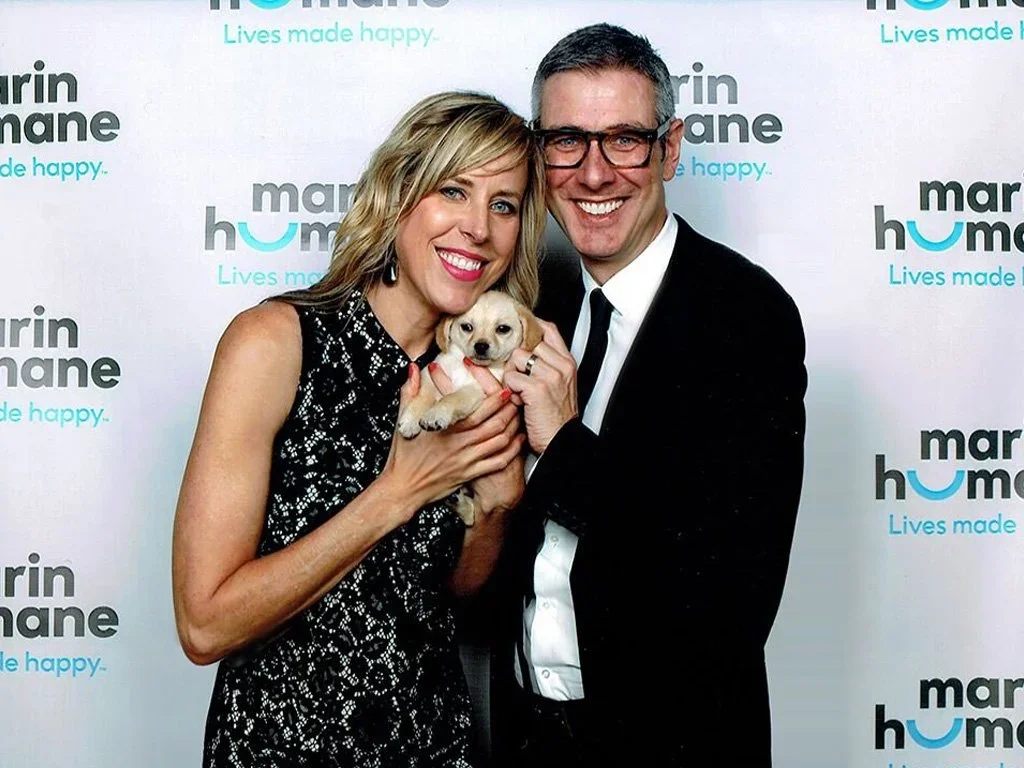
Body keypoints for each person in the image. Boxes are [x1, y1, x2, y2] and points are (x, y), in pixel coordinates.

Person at [171, 90, 546, 767]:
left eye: (504, 205)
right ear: (399, 195)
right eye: (453, 191)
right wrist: (398, 492)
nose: (478, 229)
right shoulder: (276, 343)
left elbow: (452, 600)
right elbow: (204, 624)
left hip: (431, 745)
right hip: (282, 749)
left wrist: (496, 508)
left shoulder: (480, 375)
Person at [479, 24, 807, 767]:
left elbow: (731, 597)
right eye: (568, 141)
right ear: (539, 153)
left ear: (670, 148)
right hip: (527, 739)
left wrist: (564, 446)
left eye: (624, 140)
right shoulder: (530, 304)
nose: (594, 175)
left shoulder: (745, 318)